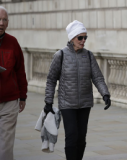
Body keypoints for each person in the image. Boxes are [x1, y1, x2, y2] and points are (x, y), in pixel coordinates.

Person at [44, 20, 112, 160]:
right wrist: (48, 102)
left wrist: (105, 94)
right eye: (80, 37)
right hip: (67, 104)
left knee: (81, 138)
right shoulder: (60, 55)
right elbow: (51, 80)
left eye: (85, 37)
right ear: (72, 38)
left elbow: (97, 77)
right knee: (71, 136)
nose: (83, 41)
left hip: (85, 103)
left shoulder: (88, 55)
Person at [0, 6, 28, 160]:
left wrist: (22, 97)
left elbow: (20, 71)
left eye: (4, 20)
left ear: (8, 23)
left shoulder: (12, 42)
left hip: (9, 102)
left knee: (5, 149)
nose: (1, 23)